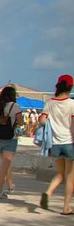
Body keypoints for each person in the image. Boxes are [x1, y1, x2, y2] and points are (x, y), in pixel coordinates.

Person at [38, 74, 74, 215]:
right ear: (70, 87)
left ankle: (48, 193)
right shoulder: (71, 104)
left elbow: (42, 121)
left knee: (60, 173)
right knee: (70, 177)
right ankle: (66, 207)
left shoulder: (49, 103)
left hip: (55, 144)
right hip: (70, 143)